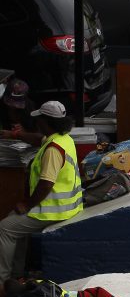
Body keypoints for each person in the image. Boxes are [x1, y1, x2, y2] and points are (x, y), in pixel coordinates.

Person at [0, 101, 83, 281]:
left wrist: (26, 204)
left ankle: (3, 280)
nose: (37, 123)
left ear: (46, 122)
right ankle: (17, 275)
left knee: (5, 228)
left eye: (39, 120)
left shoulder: (53, 150)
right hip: (69, 206)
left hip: (53, 211)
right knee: (16, 227)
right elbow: (38, 139)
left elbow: (46, 184)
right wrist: (16, 135)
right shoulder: (63, 139)